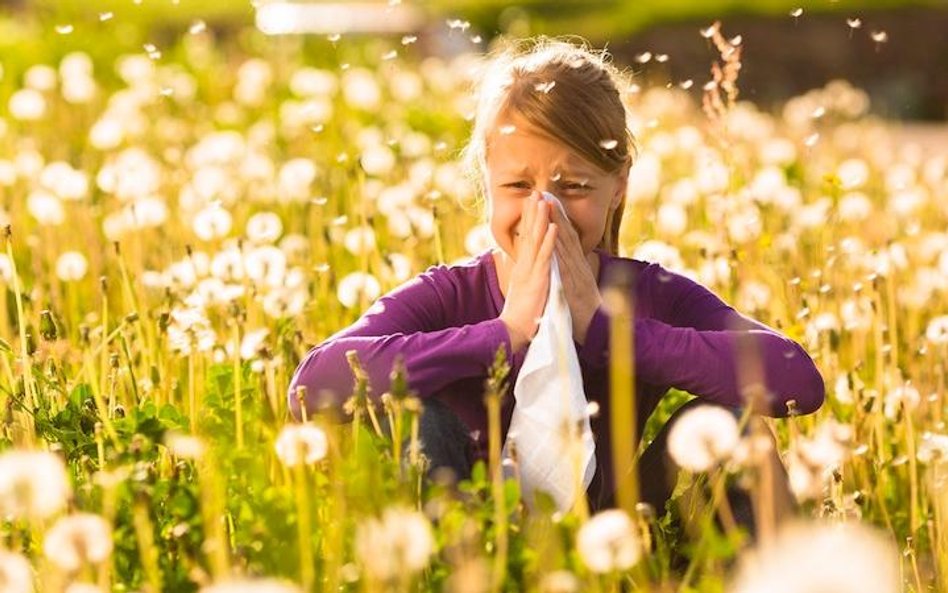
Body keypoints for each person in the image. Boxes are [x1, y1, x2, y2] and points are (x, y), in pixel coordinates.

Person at [287, 38, 825, 518]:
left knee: (737, 426)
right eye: (519, 185)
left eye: (573, 187)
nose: (545, 211)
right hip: (466, 529)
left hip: (620, 530)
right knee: (416, 416)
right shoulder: (451, 293)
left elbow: (797, 379)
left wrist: (610, 331)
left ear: (618, 187)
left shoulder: (646, 294)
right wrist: (504, 334)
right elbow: (312, 387)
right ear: (487, 184)